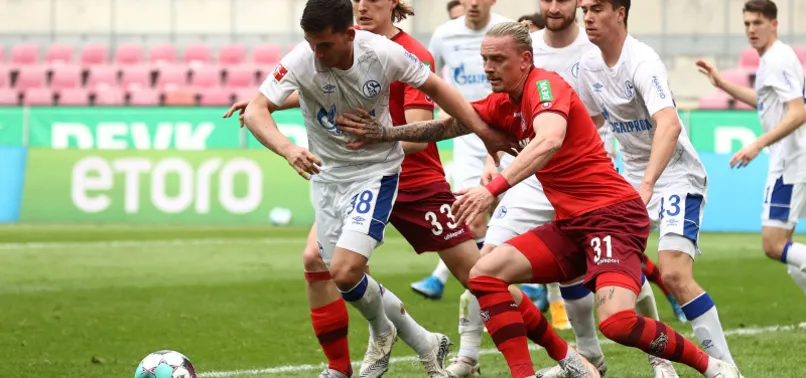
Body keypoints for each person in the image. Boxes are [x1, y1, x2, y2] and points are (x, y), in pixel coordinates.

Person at [337, 21, 742, 378]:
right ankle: (549, 365)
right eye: (485, 59)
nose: (488, 68)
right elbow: (446, 126)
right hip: (572, 224)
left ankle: (713, 367)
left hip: (611, 217)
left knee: (616, 322)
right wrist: (385, 134)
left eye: (498, 59)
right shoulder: (502, 103)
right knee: (484, 274)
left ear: (526, 60)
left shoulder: (545, 85)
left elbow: (549, 140)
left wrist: (491, 189)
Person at [242, 1, 509, 377]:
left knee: (474, 273)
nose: (363, 6)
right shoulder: (306, 56)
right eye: (357, 1)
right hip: (332, 178)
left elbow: (428, 115)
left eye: (324, 45)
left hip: (395, 175)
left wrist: (484, 134)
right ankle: (390, 349)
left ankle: (561, 349)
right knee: (329, 267)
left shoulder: (395, 53)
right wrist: (285, 141)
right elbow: (264, 106)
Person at [575, 0, 742, 373]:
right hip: (630, 178)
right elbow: (591, 124)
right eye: (584, 9)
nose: (587, 16)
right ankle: (661, 361)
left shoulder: (642, 61)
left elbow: (669, 124)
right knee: (617, 266)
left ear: (620, 12)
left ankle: (728, 369)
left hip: (675, 174)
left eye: (596, 8)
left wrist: (647, 184)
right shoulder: (588, 65)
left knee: (674, 274)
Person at [697, 0, 806, 295]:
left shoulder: (777, 59)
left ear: (774, 24)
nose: (751, 29)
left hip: (790, 164)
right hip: (795, 160)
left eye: (758, 22)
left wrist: (757, 144)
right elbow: (765, 101)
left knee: (774, 244)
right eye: (747, 23)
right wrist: (721, 83)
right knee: (788, 251)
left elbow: (799, 112)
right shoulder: (774, 58)